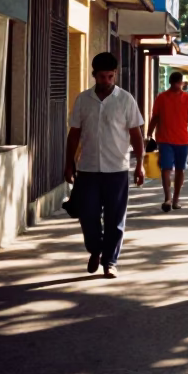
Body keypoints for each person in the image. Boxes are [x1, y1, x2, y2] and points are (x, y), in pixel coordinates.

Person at [64, 52, 145, 278]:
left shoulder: (126, 100)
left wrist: (140, 164)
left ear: (115, 75)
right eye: (102, 77)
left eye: (111, 77)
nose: (107, 81)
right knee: (87, 216)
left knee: (114, 218)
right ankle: (95, 249)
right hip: (87, 169)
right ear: (94, 76)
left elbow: (136, 135)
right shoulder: (83, 100)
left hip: (117, 170)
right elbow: (74, 135)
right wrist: (68, 164)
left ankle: (110, 261)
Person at [147, 71, 188, 212]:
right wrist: (148, 133)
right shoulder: (163, 98)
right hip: (168, 140)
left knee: (177, 170)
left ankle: (174, 198)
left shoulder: (187, 98)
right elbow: (155, 117)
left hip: (180, 140)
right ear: (174, 82)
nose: (178, 85)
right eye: (176, 83)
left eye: (179, 83)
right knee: (169, 169)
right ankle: (169, 198)